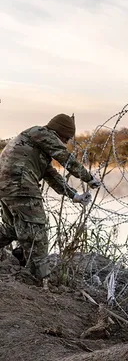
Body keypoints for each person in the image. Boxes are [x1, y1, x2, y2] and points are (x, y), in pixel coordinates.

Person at [0, 114, 101, 288]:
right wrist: (88, 177)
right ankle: (40, 282)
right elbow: (65, 158)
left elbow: (50, 174)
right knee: (37, 235)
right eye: (66, 138)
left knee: (12, 229)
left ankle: (29, 270)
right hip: (21, 186)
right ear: (59, 133)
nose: (66, 143)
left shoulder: (34, 144)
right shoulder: (41, 133)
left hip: (7, 187)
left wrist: (74, 195)